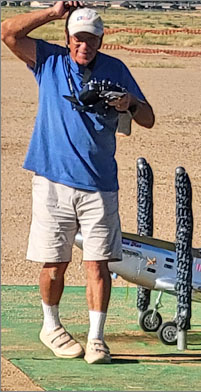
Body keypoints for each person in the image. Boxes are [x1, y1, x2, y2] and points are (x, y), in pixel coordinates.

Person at [1, 1, 155, 364]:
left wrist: (129, 103)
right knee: (54, 263)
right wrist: (53, 12)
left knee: (98, 264)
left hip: (100, 183)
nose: (84, 46)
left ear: (101, 40)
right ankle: (50, 326)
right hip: (52, 179)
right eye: (78, 38)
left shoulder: (116, 70)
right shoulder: (49, 61)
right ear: (68, 38)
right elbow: (8, 32)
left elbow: (148, 118)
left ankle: (96, 338)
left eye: (91, 39)